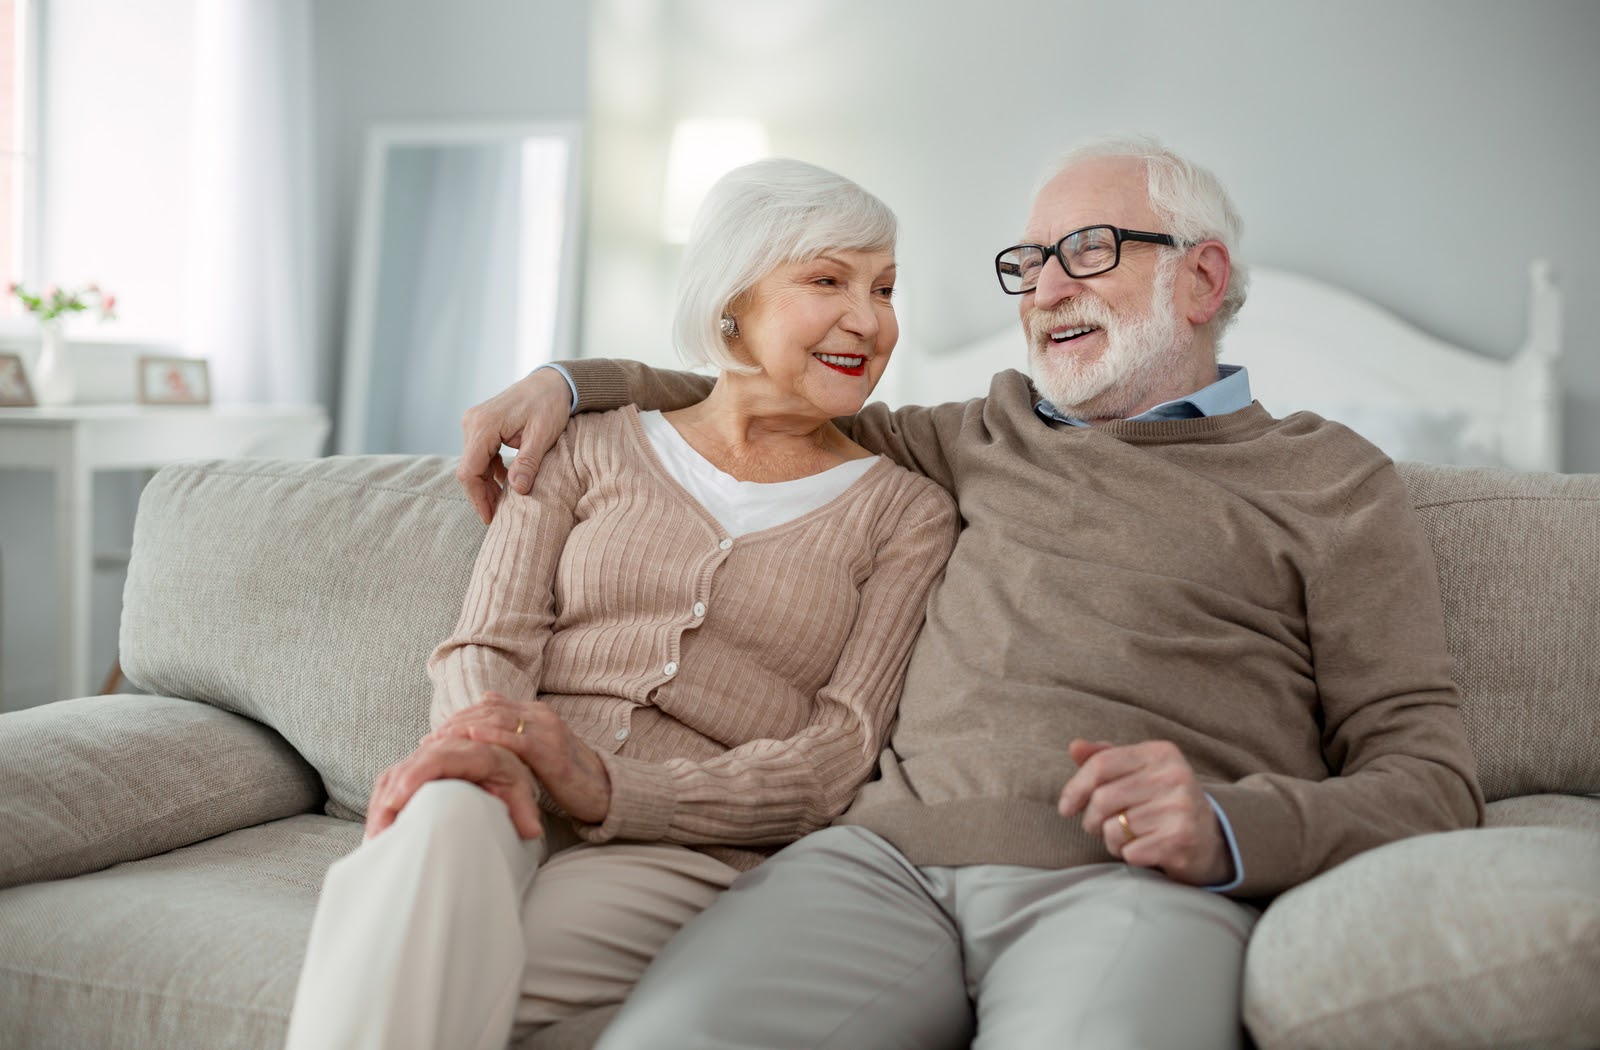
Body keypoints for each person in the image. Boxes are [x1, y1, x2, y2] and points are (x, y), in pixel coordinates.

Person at [457, 134, 1485, 1050]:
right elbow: (755, 393)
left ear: (1201, 279)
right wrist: (567, 383)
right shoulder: (979, 433)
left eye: (1088, 251)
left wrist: (1226, 824)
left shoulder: (1329, 481)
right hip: (875, 864)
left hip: (1128, 884)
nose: (1044, 292)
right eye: (1029, 264)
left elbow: (1431, 780)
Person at [284, 158, 957, 1050]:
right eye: (828, 281)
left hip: (683, 846)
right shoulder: (587, 445)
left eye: (885, 288)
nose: (869, 320)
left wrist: (613, 787)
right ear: (734, 300)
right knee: (443, 824)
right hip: (507, 781)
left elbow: (837, 755)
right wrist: (485, 741)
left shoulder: (906, 512)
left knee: (435, 970)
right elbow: (489, 643)